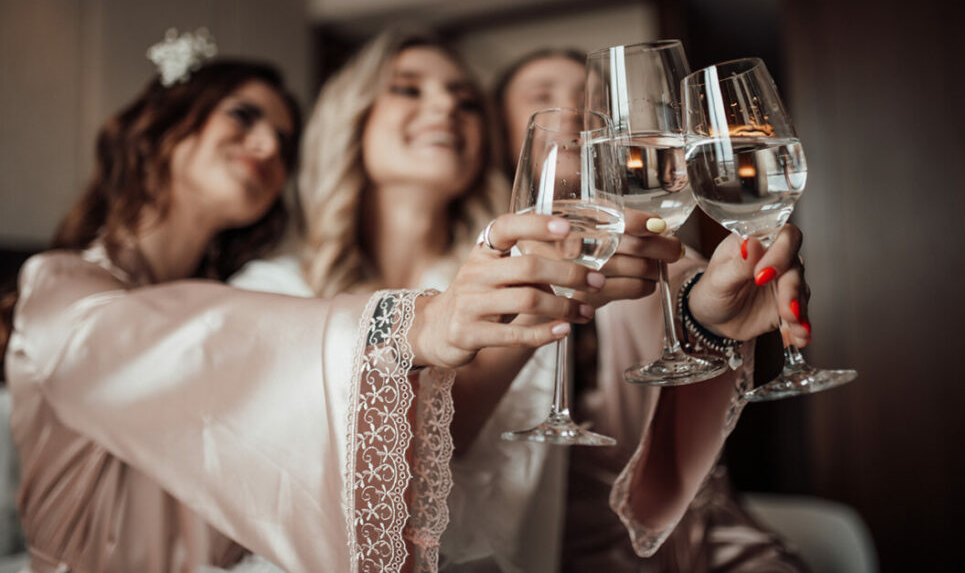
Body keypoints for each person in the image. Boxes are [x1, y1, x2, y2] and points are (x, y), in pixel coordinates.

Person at [0, 35, 599, 572]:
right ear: (159, 124)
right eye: (244, 115)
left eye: (284, 140)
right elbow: (157, 346)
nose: (267, 146)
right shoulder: (60, 287)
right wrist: (410, 326)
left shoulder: (242, 296)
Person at [233, 28, 811, 572]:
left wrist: (703, 315)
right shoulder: (272, 289)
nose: (443, 110)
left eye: (462, 101)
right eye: (408, 88)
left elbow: (672, 278)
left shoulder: (563, 254)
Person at [493, 47, 808, 571]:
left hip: (698, 546)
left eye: (586, 95)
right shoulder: (484, 259)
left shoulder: (650, 246)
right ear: (509, 133)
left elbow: (689, 289)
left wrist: (705, 315)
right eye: (543, 96)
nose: (571, 109)